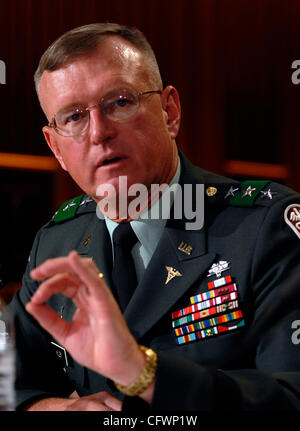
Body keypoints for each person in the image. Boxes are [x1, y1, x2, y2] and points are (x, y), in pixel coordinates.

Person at [9, 22, 300, 411]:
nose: (99, 133)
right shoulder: (56, 241)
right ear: (56, 148)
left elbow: (290, 397)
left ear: (170, 111)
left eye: (120, 102)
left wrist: (142, 372)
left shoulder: (266, 228)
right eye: (74, 117)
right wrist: (50, 408)